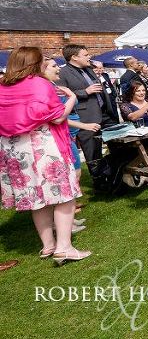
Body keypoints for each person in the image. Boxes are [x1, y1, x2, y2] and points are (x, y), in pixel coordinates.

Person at [0, 47, 91, 265]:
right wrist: (70, 99)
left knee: (37, 199)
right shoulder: (39, 84)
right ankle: (64, 247)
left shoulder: (2, 87)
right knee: (64, 196)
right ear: (34, 63)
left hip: (14, 149)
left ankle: (48, 245)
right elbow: (58, 118)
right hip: (42, 147)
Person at [42, 58, 91, 232]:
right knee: (70, 177)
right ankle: (61, 223)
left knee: (74, 175)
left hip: (67, 137)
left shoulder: (55, 87)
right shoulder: (47, 90)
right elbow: (59, 117)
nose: (58, 69)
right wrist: (84, 125)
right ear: (43, 69)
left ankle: (68, 220)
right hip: (61, 137)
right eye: (54, 66)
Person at [57, 44, 116, 177]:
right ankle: (99, 181)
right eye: (85, 55)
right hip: (86, 117)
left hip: (105, 113)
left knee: (118, 144)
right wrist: (85, 92)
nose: (89, 57)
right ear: (74, 57)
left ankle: (117, 173)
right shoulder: (63, 72)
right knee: (93, 152)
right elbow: (62, 96)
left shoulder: (88, 69)